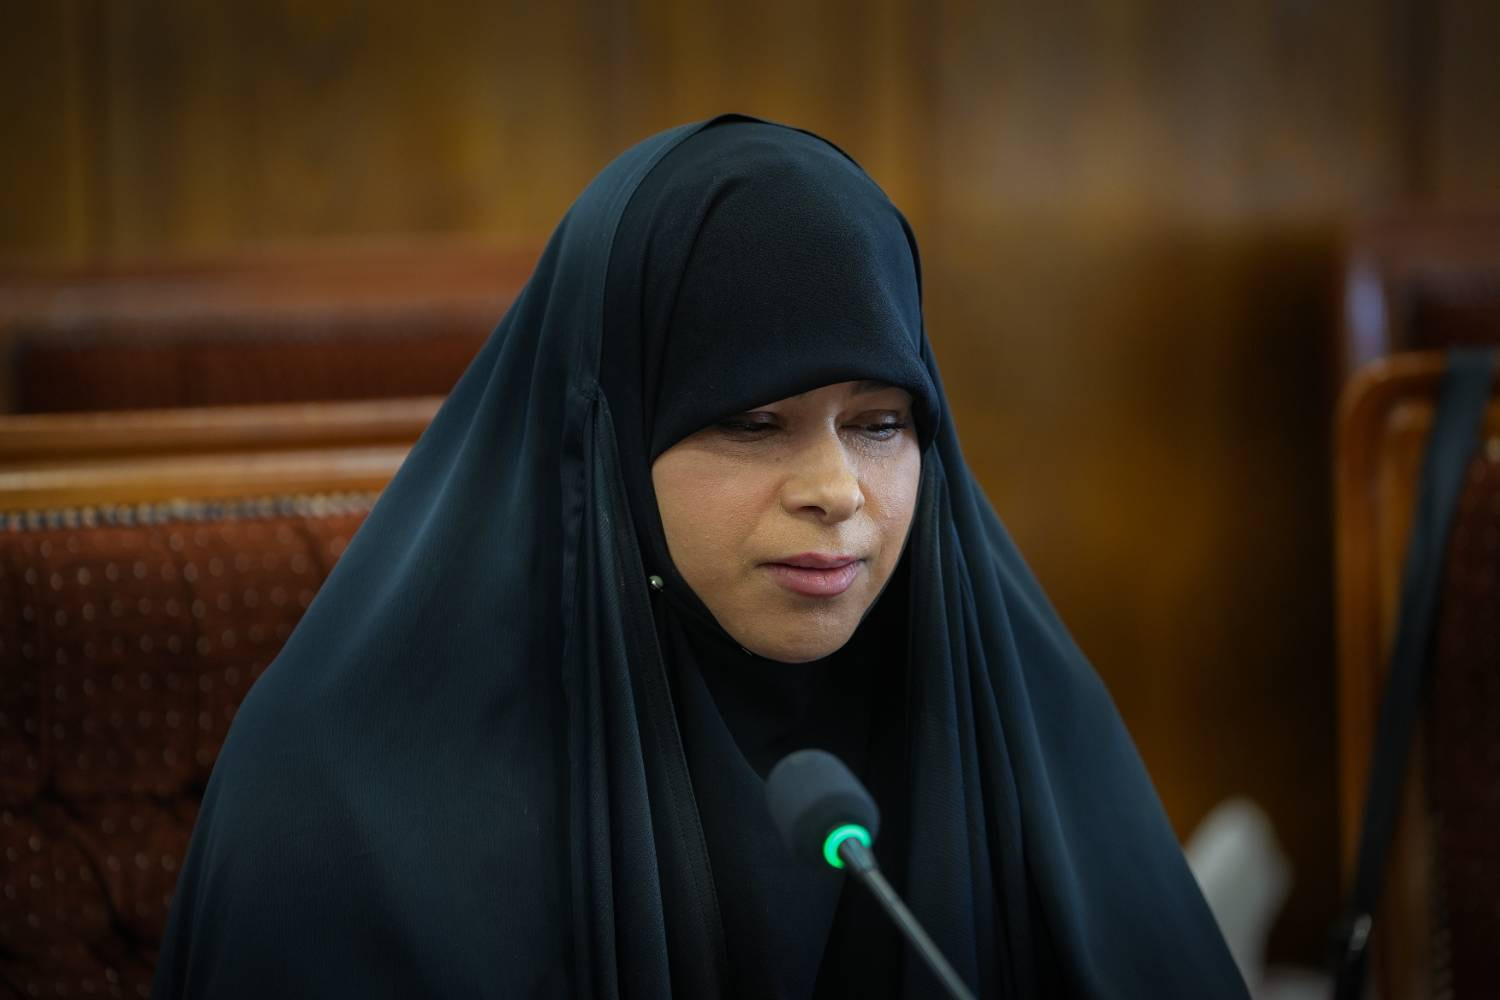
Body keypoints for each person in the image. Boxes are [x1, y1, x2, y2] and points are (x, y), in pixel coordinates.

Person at [154, 116, 1247, 999]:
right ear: (611, 445)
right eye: (753, 422)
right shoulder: (347, 802)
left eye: (879, 423)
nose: (837, 490)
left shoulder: (1019, 721)